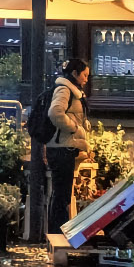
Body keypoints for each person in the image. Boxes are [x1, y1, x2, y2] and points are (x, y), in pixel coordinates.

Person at [44, 57, 91, 232]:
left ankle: (57, 232)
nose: (86, 79)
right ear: (74, 73)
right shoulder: (65, 89)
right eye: (84, 75)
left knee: (61, 195)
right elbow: (55, 113)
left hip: (64, 147)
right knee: (61, 196)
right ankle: (57, 234)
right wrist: (75, 128)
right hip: (61, 148)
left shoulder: (73, 91)